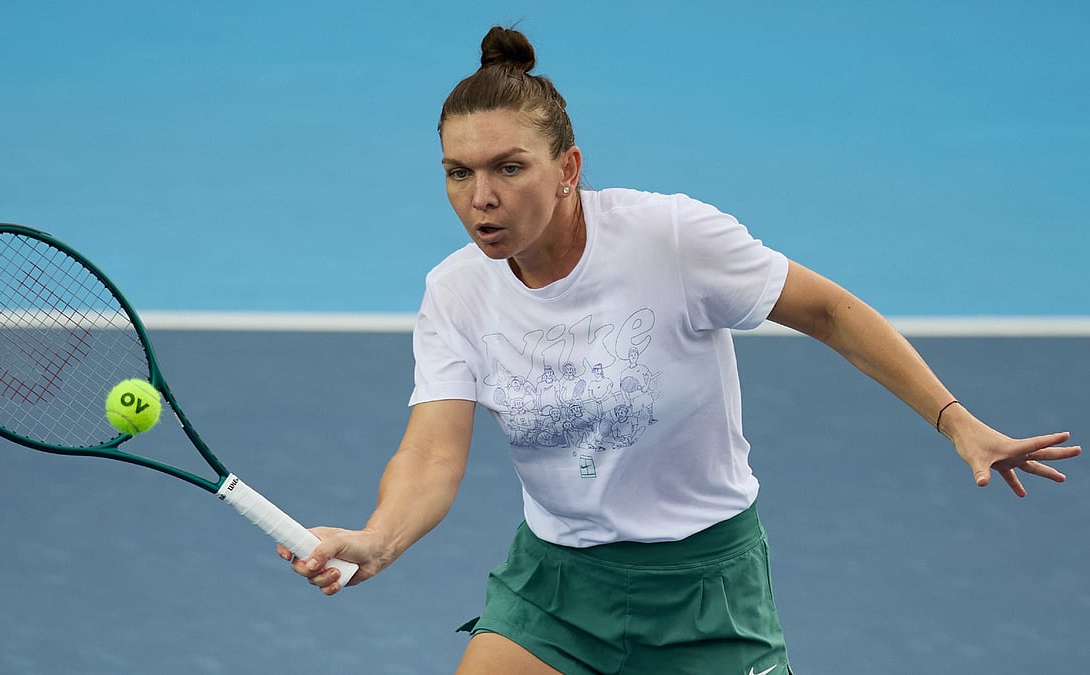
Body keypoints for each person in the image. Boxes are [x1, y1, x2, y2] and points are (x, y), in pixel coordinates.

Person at [280, 25, 1080, 674]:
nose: (480, 198)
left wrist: (953, 418)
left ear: (568, 169)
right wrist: (379, 536)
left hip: (707, 590)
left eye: (506, 168)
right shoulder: (457, 290)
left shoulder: (670, 238)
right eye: (458, 173)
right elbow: (432, 452)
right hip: (555, 587)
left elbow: (830, 311)